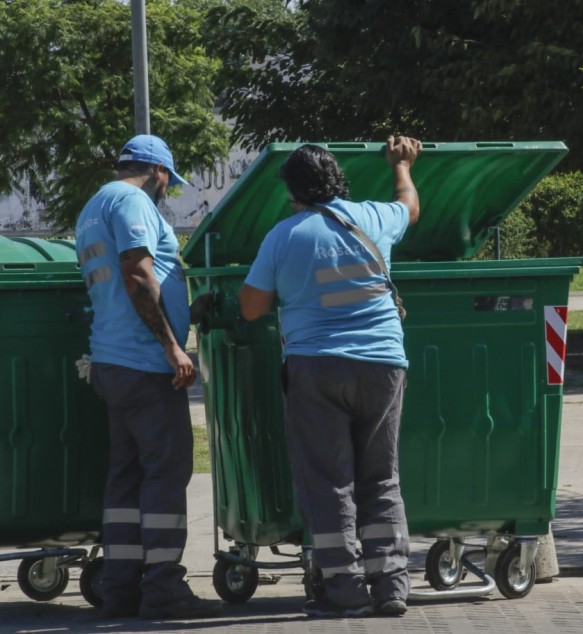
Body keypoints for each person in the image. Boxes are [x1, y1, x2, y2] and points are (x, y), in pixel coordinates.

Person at [238, 136, 422, 618]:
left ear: (292, 191)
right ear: (338, 179)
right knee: (381, 478)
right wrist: (401, 165)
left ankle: (343, 588)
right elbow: (409, 207)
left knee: (328, 481)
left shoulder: (285, 235)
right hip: (383, 364)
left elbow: (252, 307)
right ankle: (392, 586)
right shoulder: (373, 217)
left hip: (315, 368)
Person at [74, 134, 222, 620]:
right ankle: (163, 590)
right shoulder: (133, 200)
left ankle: (121, 589)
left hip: (112, 362)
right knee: (166, 473)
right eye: (169, 181)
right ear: (158, 171)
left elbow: (126, 285)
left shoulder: (93, 205)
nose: (168, 190)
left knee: (127, 478)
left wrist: (187, 313)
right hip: (145, 366)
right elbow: (137, 274)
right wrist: (172, 346)